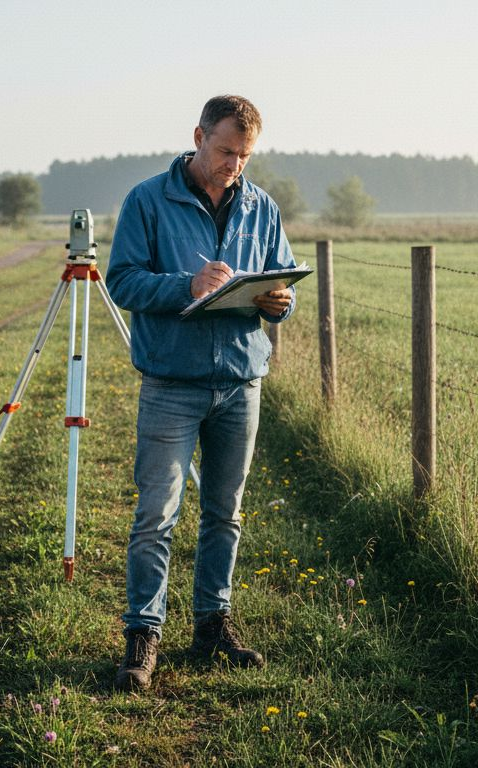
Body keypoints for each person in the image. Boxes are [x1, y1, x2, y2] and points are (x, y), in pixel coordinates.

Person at [105, 95, 295, 692]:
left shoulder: (263, 207)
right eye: (224, 151)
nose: (233, 164)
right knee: (155, 515)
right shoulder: (146, 200)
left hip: (241, 381)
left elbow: (282, 276)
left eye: (243, 156)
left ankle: (212, 625)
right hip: (171, 382)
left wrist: (280, 301)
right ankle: (143, 635)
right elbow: (122, 280)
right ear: (197, 136)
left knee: (226, 514)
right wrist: (185, 284)